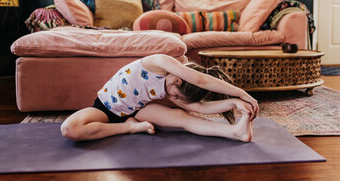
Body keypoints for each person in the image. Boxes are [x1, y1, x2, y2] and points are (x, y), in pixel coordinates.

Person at [61, 54, 259, 142]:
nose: (173, 98)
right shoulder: (160, 63)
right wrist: (240, 92)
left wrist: (234, 102)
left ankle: (236, 132)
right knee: (69, 129)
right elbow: (201, 79)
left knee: (183, 118)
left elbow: (199, 107)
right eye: (176, 95)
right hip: (104, 108)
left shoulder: (173, 87)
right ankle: (129, 127)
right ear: (178, 80)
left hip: (137, 110)